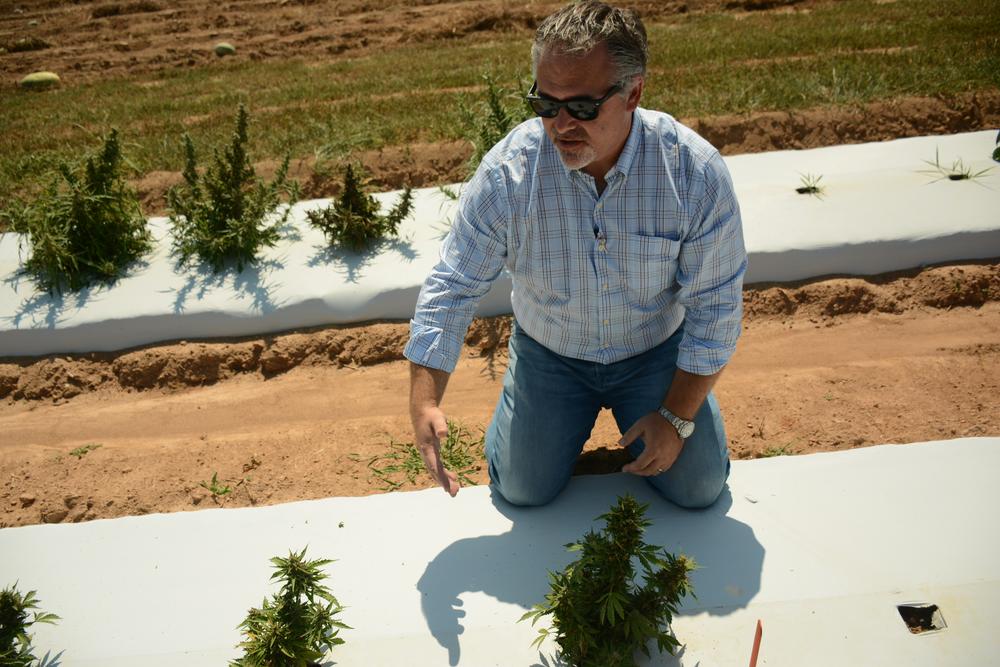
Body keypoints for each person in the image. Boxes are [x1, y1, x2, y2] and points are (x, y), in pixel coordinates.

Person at [404, 0, 746, 509]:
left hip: (653, 351)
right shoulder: (508, 175)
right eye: (545, 104)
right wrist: (424, 398)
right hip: (552, 354)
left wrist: (676, 417)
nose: (561, 124)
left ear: (633, 92)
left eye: (582, 107)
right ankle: (543, 436)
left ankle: (659, 427)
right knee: (521, 489)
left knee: (699, 490)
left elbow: (715, 309)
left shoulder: (692, 173)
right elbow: (454, 284)